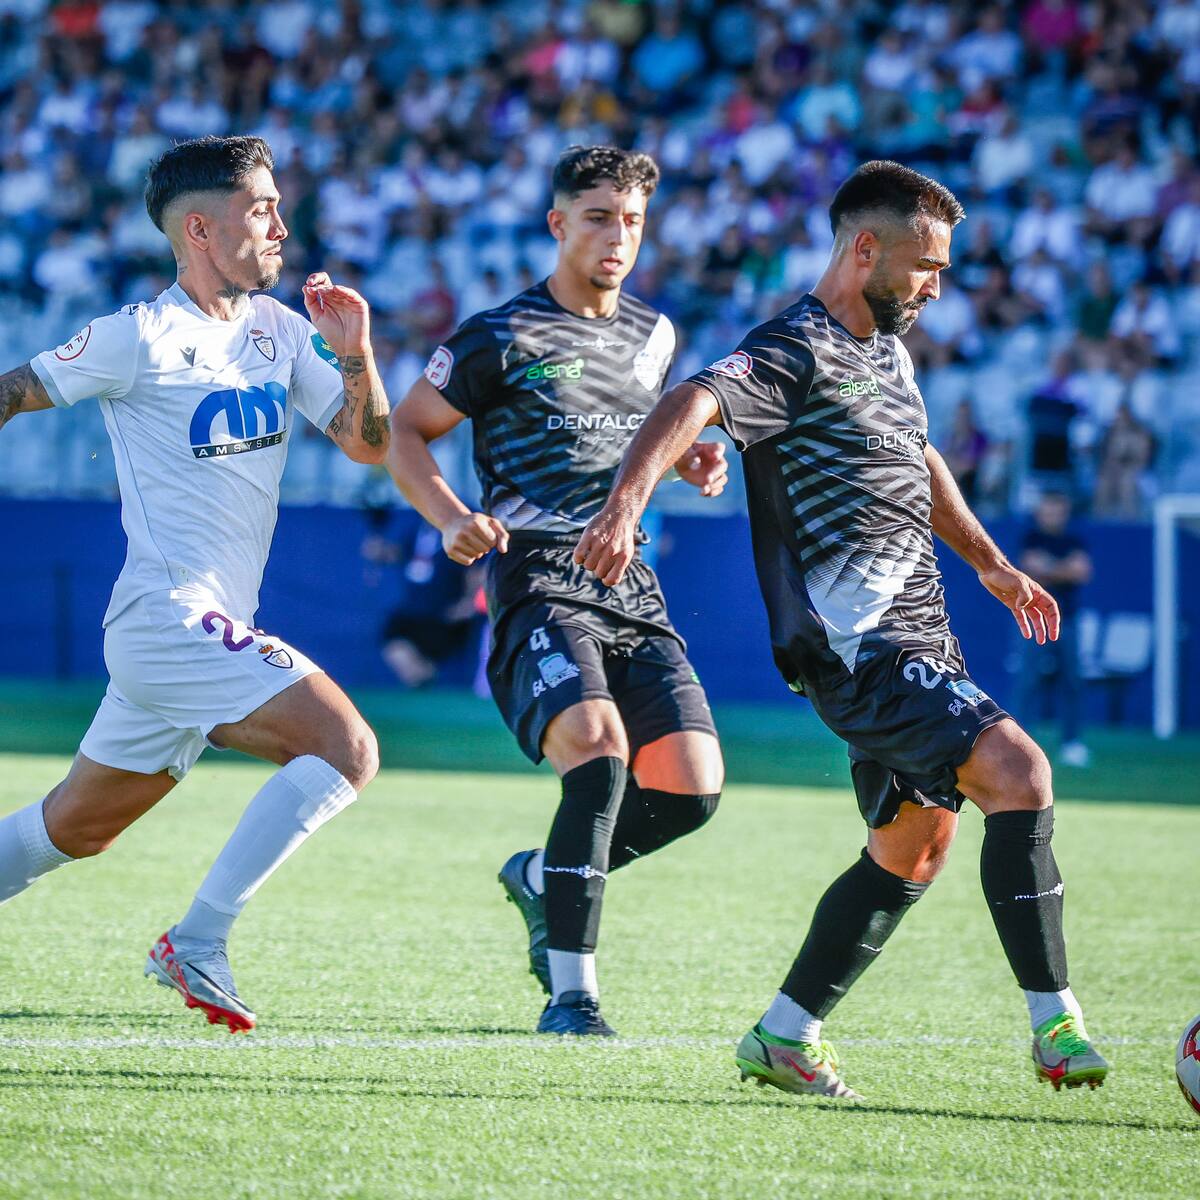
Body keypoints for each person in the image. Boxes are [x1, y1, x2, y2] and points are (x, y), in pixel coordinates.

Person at [576, 160, 1108, 1095]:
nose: (936, 285)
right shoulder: (797, 348)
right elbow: (692, 399)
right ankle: (1057, 1023)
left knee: (917, 844)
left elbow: (921, 455)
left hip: (921, 636)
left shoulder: (890, 356)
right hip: (858, 647)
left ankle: (786, 1034)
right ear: (865, 248)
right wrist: (625, 505)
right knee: (1021, 771)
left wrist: (989, 561)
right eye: (924, 264)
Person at [0, 135, 390, 1032]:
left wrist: (357, 350)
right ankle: (197, 941)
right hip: (167, 621)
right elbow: (11, 392)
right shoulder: (135, 336)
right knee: (345, 748)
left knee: (74, 829)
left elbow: (368, 446)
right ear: (203, 229)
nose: (282, 225)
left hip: (196, 633)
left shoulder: (281, 330)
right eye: (263, 209)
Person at [387, 146, 726, 1036]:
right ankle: (573, 997)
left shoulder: (656, 337)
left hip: (631, 578)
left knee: (692, 792)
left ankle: (542, 877)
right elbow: (405, 433)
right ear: (558, 225)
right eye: (600, 218)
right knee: (598, 753)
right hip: (537, 571)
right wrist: (450, 515)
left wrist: (685, 461)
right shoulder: (497, 336)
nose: (618, 238)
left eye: (634, 222)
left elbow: (634, 443)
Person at [1013, 492, 1092, 767]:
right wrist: (1063, 568)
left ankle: (1072, 742)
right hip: (1035, 620)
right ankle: (1019, 743)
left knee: (1072, 682)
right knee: (1028, 681)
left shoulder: (1074, 540)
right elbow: (1030, 567)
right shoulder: (1031, 537)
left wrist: (1049, 568)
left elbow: (1081, 571)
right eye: (1048, 509)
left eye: (1058, 510)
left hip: (1067, 621)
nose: (1053, 515)